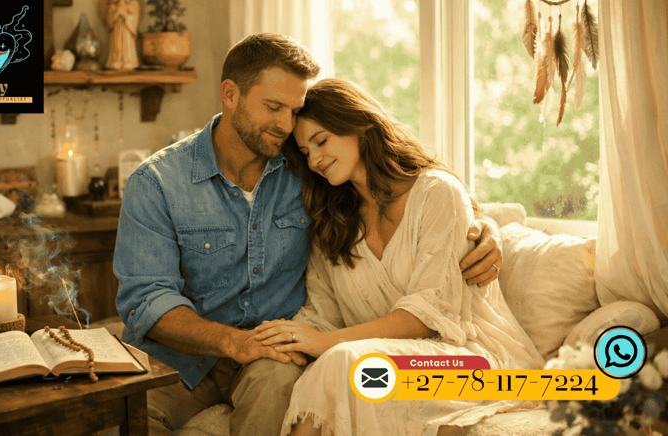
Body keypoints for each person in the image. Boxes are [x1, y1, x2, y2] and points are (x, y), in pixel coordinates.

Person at [113, 34, 502, 436]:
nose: (286, 124)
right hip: (183, 358)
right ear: (229, 94)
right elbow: (146, 300)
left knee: (296, 382)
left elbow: (414, 187)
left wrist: (485, 224)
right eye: (274, 107)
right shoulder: (157, 182)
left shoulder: (302, 167)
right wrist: (234, 342)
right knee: (121, 418)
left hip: (274, 358)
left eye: (294, 110)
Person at [255, 78, 545, 436]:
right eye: (304, 151)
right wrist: (282, 336)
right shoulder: (333, 220)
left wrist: (325, 342)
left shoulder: (436, 194)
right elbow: (323, 314)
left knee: (346, 363)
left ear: (360, 127)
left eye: (321, 141)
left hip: (474, 364)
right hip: (391, 362)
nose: (314, 159)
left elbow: (427, 315)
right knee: (339, 367)